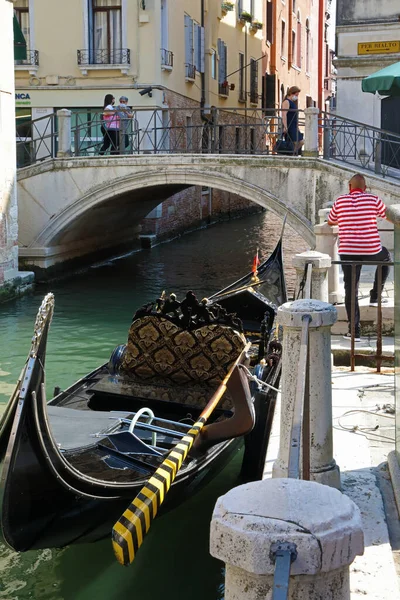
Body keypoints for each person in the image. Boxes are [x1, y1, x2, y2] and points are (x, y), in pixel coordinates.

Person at [327, 173, 391, 342]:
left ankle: (354, 332)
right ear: (364, 188)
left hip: (348, 251)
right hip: (372, 250)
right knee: (386, 258)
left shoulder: (340, 201)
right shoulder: (373, 199)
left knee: (351, 289)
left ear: (349, 187)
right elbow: (388, 215)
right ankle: (375, 296)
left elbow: (331, 221)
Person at [281, 86, 304, 156]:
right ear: (291, 93)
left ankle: (292, 153)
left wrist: (298, 127)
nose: (297, 97)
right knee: (297, 142)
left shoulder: (292, 102)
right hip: (289, 125)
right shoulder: (286, 102)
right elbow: (284, 114)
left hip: (294, 125)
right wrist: (285, 126)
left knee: (301, 141)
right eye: (296, 95)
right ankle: (292, 154)